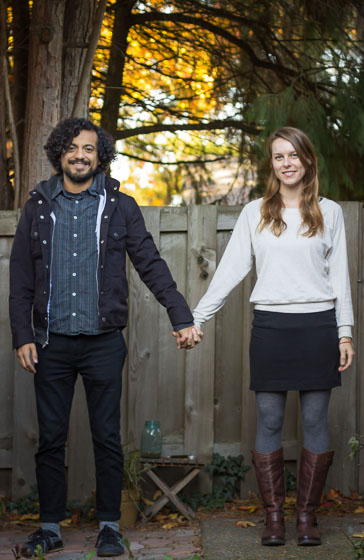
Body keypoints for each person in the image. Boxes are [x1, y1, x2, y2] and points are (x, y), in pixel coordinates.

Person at [9, 117, 202, 557]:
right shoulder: (38, 205)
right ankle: (50, 527)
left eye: (90, 149)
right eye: (73, 147)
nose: (81, 155)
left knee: (106, 437)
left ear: (101, 156)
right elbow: (20, 275)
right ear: (60, 153)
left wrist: (180, 315)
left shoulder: (118, 205)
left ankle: (110, 527)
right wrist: (23, 335)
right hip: (50, 343)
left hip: (103, 342)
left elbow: (150, 262)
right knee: (51, 438)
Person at [192, 127, 354, 547]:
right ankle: (275, 519)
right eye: (279, 156)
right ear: (273, 164)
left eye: (294, 155)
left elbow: (339, 279)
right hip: (270, 326)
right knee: (269, 419)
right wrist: (198, 317)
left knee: (315, 421)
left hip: (319, 325)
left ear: (308, 160)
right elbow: (230, 272)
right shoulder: (255, 213)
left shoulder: (330, 212)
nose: (286, 163)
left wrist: (345, 332)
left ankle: (305, 518)